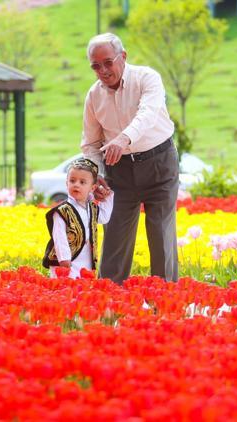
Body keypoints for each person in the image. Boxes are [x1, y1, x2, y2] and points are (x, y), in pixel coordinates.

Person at [81, 33, 178, 284]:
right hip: (119, 171)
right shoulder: (93, 96)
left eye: (108, 62)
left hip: (159, 163)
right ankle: (110, 306)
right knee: (114, 238)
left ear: (123, 57)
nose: (103, 70)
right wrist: (96, 175)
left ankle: (166, 304)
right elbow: (91, 144)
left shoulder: (147, 78)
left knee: (161, 235)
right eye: (95, 66)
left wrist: (124, 138)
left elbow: (148, 113)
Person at [42, 158, 114, 279]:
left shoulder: (91, 208)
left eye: (82, 182)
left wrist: (108, 196)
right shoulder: (62, 211)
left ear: (92, 188)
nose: (76, 184)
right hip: (66, 261)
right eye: (72, 181)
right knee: (67, 288)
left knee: (83, 290)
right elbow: (59, 237)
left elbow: (104, 218)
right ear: (66, 183)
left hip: (86, 259)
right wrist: (64, 258)